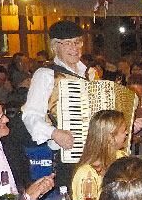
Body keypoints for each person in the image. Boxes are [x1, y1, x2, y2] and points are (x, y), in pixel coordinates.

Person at [22, 20, 96, 189]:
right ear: (55, 47)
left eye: (77, 42)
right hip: (66, 157)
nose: (74, 48)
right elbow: (30, 116)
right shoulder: (46, 75)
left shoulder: (91, 74)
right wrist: (54, 133)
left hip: (93, 154)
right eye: (67, 43)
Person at [70, 110, 129, 200]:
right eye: (124, 131)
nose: (127, 133)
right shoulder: (86, 174)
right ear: (110, 137)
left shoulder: (122, 157)